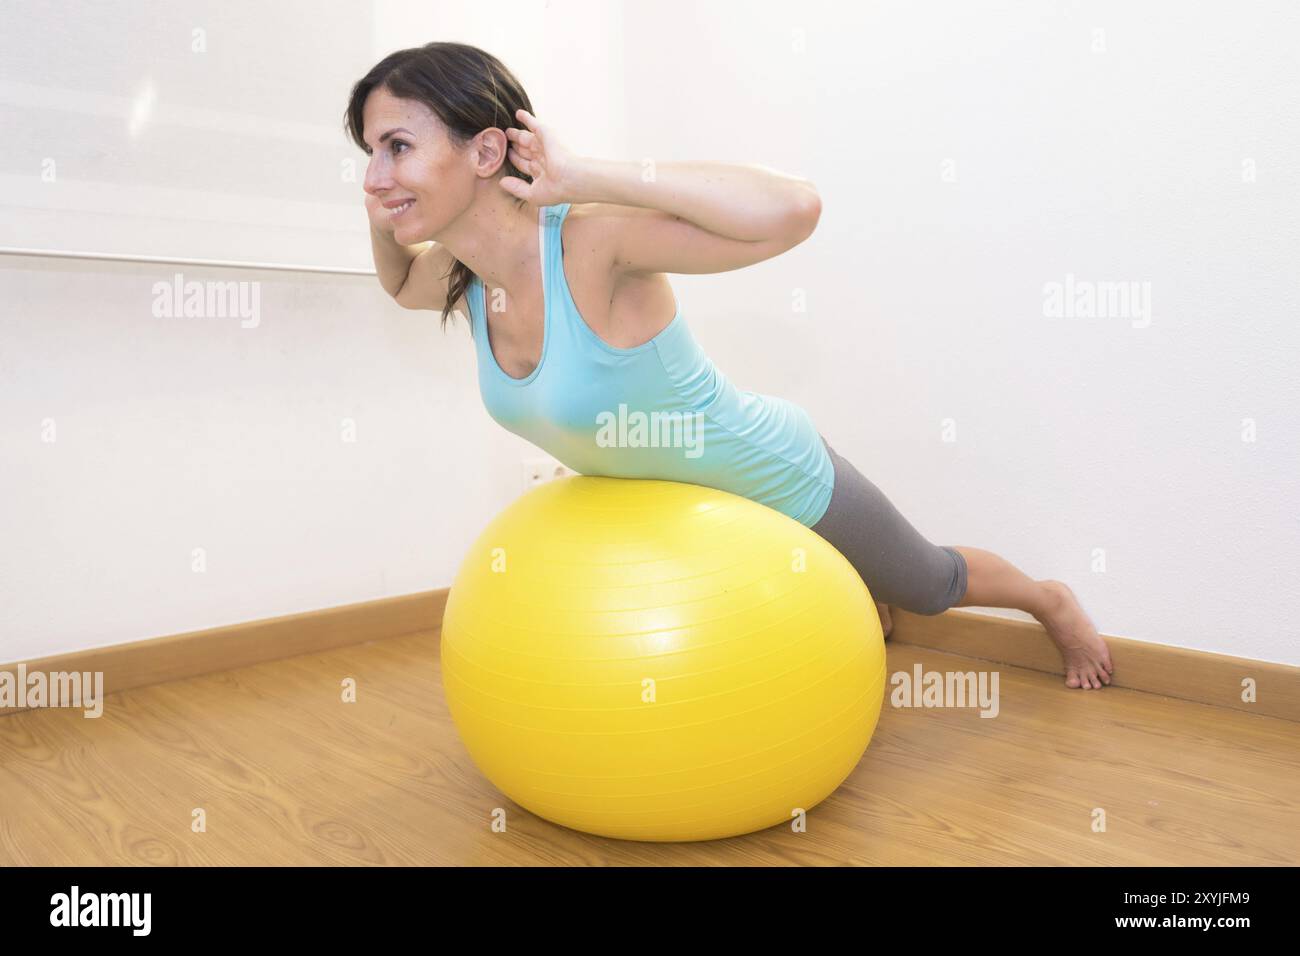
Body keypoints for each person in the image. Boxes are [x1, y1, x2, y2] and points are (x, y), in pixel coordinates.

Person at [344, 42, 1114, 690]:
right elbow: (399, 282)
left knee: (930, 585)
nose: (375, 174)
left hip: (768, 473)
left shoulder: (591, 242)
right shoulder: (461, 275)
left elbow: (793, 210)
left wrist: (585, 176)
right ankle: (859, 603)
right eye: (369, 153)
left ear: (484, 151)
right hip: (662, 515)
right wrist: (386, 216)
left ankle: (1051, 602)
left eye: (398, 148)